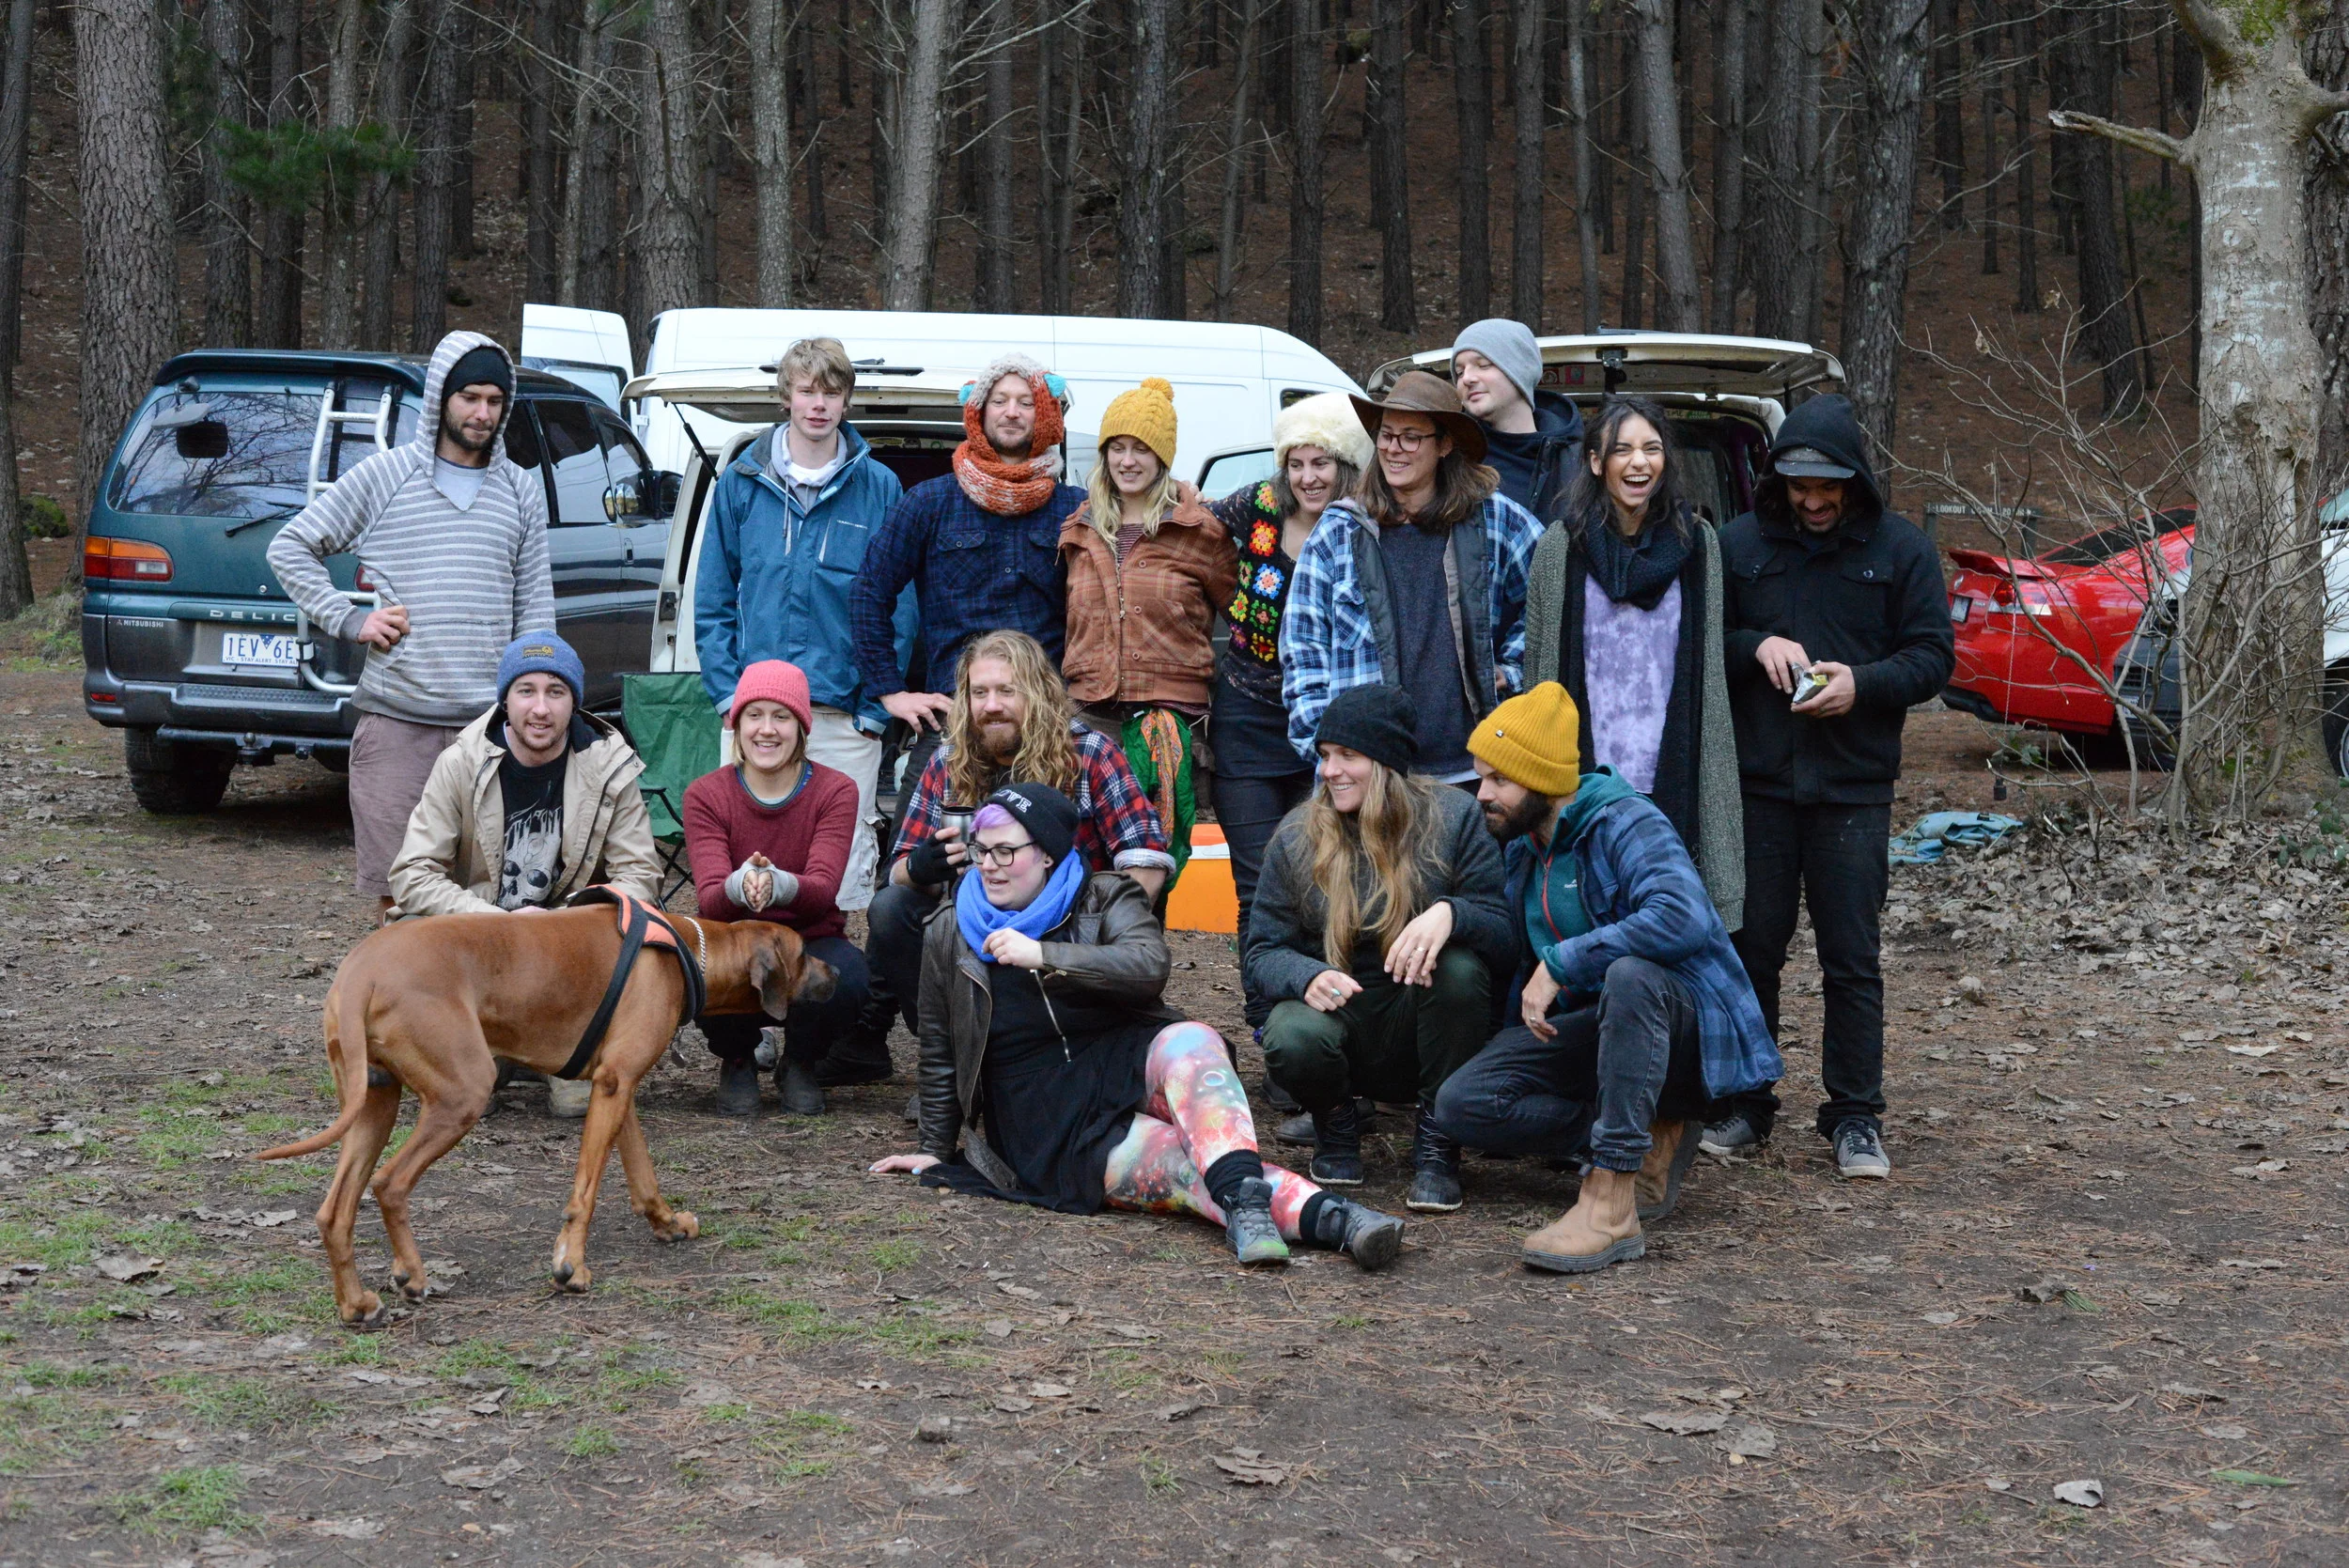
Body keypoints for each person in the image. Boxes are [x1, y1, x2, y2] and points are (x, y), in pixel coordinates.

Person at [867, 782, 1405, 1271]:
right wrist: (937, 1149)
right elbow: (939, 1051)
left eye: (1007, 851)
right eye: (983, 851)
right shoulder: (949, 931)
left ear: (1049, 855)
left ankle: (1260, 1209)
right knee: (1184, 1166)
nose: (990, 865)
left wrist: (1044, 955)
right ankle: (1341, 1222)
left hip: (1124, 1054)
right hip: (1046, 1115)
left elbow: (1148, 967)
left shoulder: (1104, 896)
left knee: (1194, 1042)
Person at [1433, 683, 1781, 1272]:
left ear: (1542, 780)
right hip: (1602, 1031)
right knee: (1461, 1103)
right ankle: (1643, 1131)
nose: (1481, 794)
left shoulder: (1624, 821)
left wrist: (1564, 962)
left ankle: (1611, 1197)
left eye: (1497, 780)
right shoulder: (1524, 847)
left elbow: (1684, 916)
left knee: (1630, 975)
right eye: (1481, 777)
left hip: (1679, 1033)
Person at [1707, 395, 1955, 1178]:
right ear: (1776, 479)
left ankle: (1854, 1116)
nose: (1813, 503)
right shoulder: (1737, 543)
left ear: (1855, 481)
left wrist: (1866, 683)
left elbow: (1933, 656)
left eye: (1829, 488)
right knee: (1752, 951)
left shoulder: (1902, 549)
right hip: (1760, 783)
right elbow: (1699, 642)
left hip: (1854, 786)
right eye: (1799, 487)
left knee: (1853, 957)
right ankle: (1749, 1102)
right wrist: (1756, 645)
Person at [268, 331, 552, 922]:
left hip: (489, 733)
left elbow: (536, 611)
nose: (482, 413)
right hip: (399, 723)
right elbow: (291, 546)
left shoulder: (520, 490)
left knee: (489, 898)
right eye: (469, 397)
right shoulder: (386, 476)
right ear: (440, 399)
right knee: (401, 903)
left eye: (495, 401)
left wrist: (535, 703)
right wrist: (349, 619)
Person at [1245, 685, 1517, 1212]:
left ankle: (1439, 1144)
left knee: (1458, 969)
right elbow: (1261, 951)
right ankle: (1336, 1121)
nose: (1331, 771)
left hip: (1428, 1026)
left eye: (1348, 756)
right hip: (1343, 1023)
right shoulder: (1298, 835)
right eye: (1325, 757)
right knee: (1291, 1031)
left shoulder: (1453, 818)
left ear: (1387, 763)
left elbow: (1505, 936)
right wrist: (1305, 976)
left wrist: (1453, 912)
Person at [386, 632, 661, 1117]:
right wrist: (495, 919)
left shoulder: (609, 767)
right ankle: (478, 1049)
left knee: (641, 939)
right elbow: (412, 873)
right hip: (481, 938)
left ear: (574, 701)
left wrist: (562, 924)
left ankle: (563, 1054)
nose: (541, 708)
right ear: (505, 700)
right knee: (407, 938)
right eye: (526, 691)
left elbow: (640, 876)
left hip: (566, 948)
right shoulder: (461, 762)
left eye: (556, 692)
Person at [693, 337, 911, 930]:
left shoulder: (881, 487)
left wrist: (875, 707)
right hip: (756, 716)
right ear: (786, 395)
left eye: (831, 392)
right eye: (807, 390)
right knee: (748, 862)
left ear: (846, 400)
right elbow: (712, 597)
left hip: (844, 715)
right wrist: (725, 695)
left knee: (838, 873)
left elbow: (899, 606)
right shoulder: (741, 479)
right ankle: (749, 1005)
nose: (818, 404)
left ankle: (825, 996)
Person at [863, 629, 1175, 1043]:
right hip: (972, 927)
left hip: (1066, 931)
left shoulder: (1089, 753)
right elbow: (898, 869)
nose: (991, 706)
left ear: (1038, 692)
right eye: (979, 693)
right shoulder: (947, 761)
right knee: (891, 908)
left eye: (1007, 691)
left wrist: (1085, 929)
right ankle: (954, 1052)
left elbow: (1146, 861)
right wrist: (922, 865)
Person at [1521, 394, 1743, 928]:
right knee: (1586, 923)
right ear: (1597, 462)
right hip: (1585, 776)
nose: (1638, 462)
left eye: (1652, 448)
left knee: (1666, 923)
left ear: (1666, 461)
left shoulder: (1698, 545)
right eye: (1622, 450)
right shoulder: (1561, 547)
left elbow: (1708, 679)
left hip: (1672, 775)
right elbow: (1541, 676)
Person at [850, 352, 1085, 825]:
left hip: (1048, 723)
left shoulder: (1076, 510)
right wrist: (891, 692)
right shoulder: (930, 503)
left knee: (1048, 857)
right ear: (978, 414)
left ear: (1045, 417)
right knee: (907, 875)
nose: (1012, 412)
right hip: (953, 719)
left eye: (1026, 402)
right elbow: (868, 592)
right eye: (999, 400)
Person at [1279, 371, 1543, 784]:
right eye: (1385, 435)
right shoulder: (1340, 532)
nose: (1392, 448)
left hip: (1475, 769)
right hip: (1374, 779)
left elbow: (1548, 598)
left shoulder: (1493, 520)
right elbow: (1302, 647)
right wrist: (1329, 751)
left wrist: (1512, 672)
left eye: (1410, 437)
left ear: (1445, 445)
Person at [1206, 392, 1373, 1040]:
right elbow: (1188, 519)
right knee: (1257, 888)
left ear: (1344, 465)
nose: (1308, 476)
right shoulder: (1256, 506)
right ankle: (1263, 1025)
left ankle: (1325, 1017)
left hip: (1329, 729)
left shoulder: (1362, 525)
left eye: (1322, 463)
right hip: (1247, 716)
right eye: (1297, 462)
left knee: (1323, 880)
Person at [1061, 377, 1237, 882]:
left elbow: (1245, 616)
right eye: (1117, 447)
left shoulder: (1199, 530)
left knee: (1151, 861)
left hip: (1167, 719)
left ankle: (1139, 955)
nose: (1128, 460)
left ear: (1163, 458)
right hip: (1090, 715)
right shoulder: (1078, 527)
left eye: (1142, 449)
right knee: (1086, 856)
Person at [682, 660, 872, 1119]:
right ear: (737, 724)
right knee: (695, 967)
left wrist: (779, 883)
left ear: (801, 727)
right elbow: (709, 898)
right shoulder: (705, 794)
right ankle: (737, 1058)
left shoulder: (836, 790)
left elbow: (824, 890)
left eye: (781, 717)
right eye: (754, 715)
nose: (767, 730)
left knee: (850, 977)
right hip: (733, 935)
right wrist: (740, 884)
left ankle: (800, 1062)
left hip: (810, 933)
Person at [1449, 318, 1584, 520]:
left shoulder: (1581, 459)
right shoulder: (1453, 460)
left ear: (1520, 370)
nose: (1467, 379)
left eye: (1483, 365)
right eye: (1459, 372)